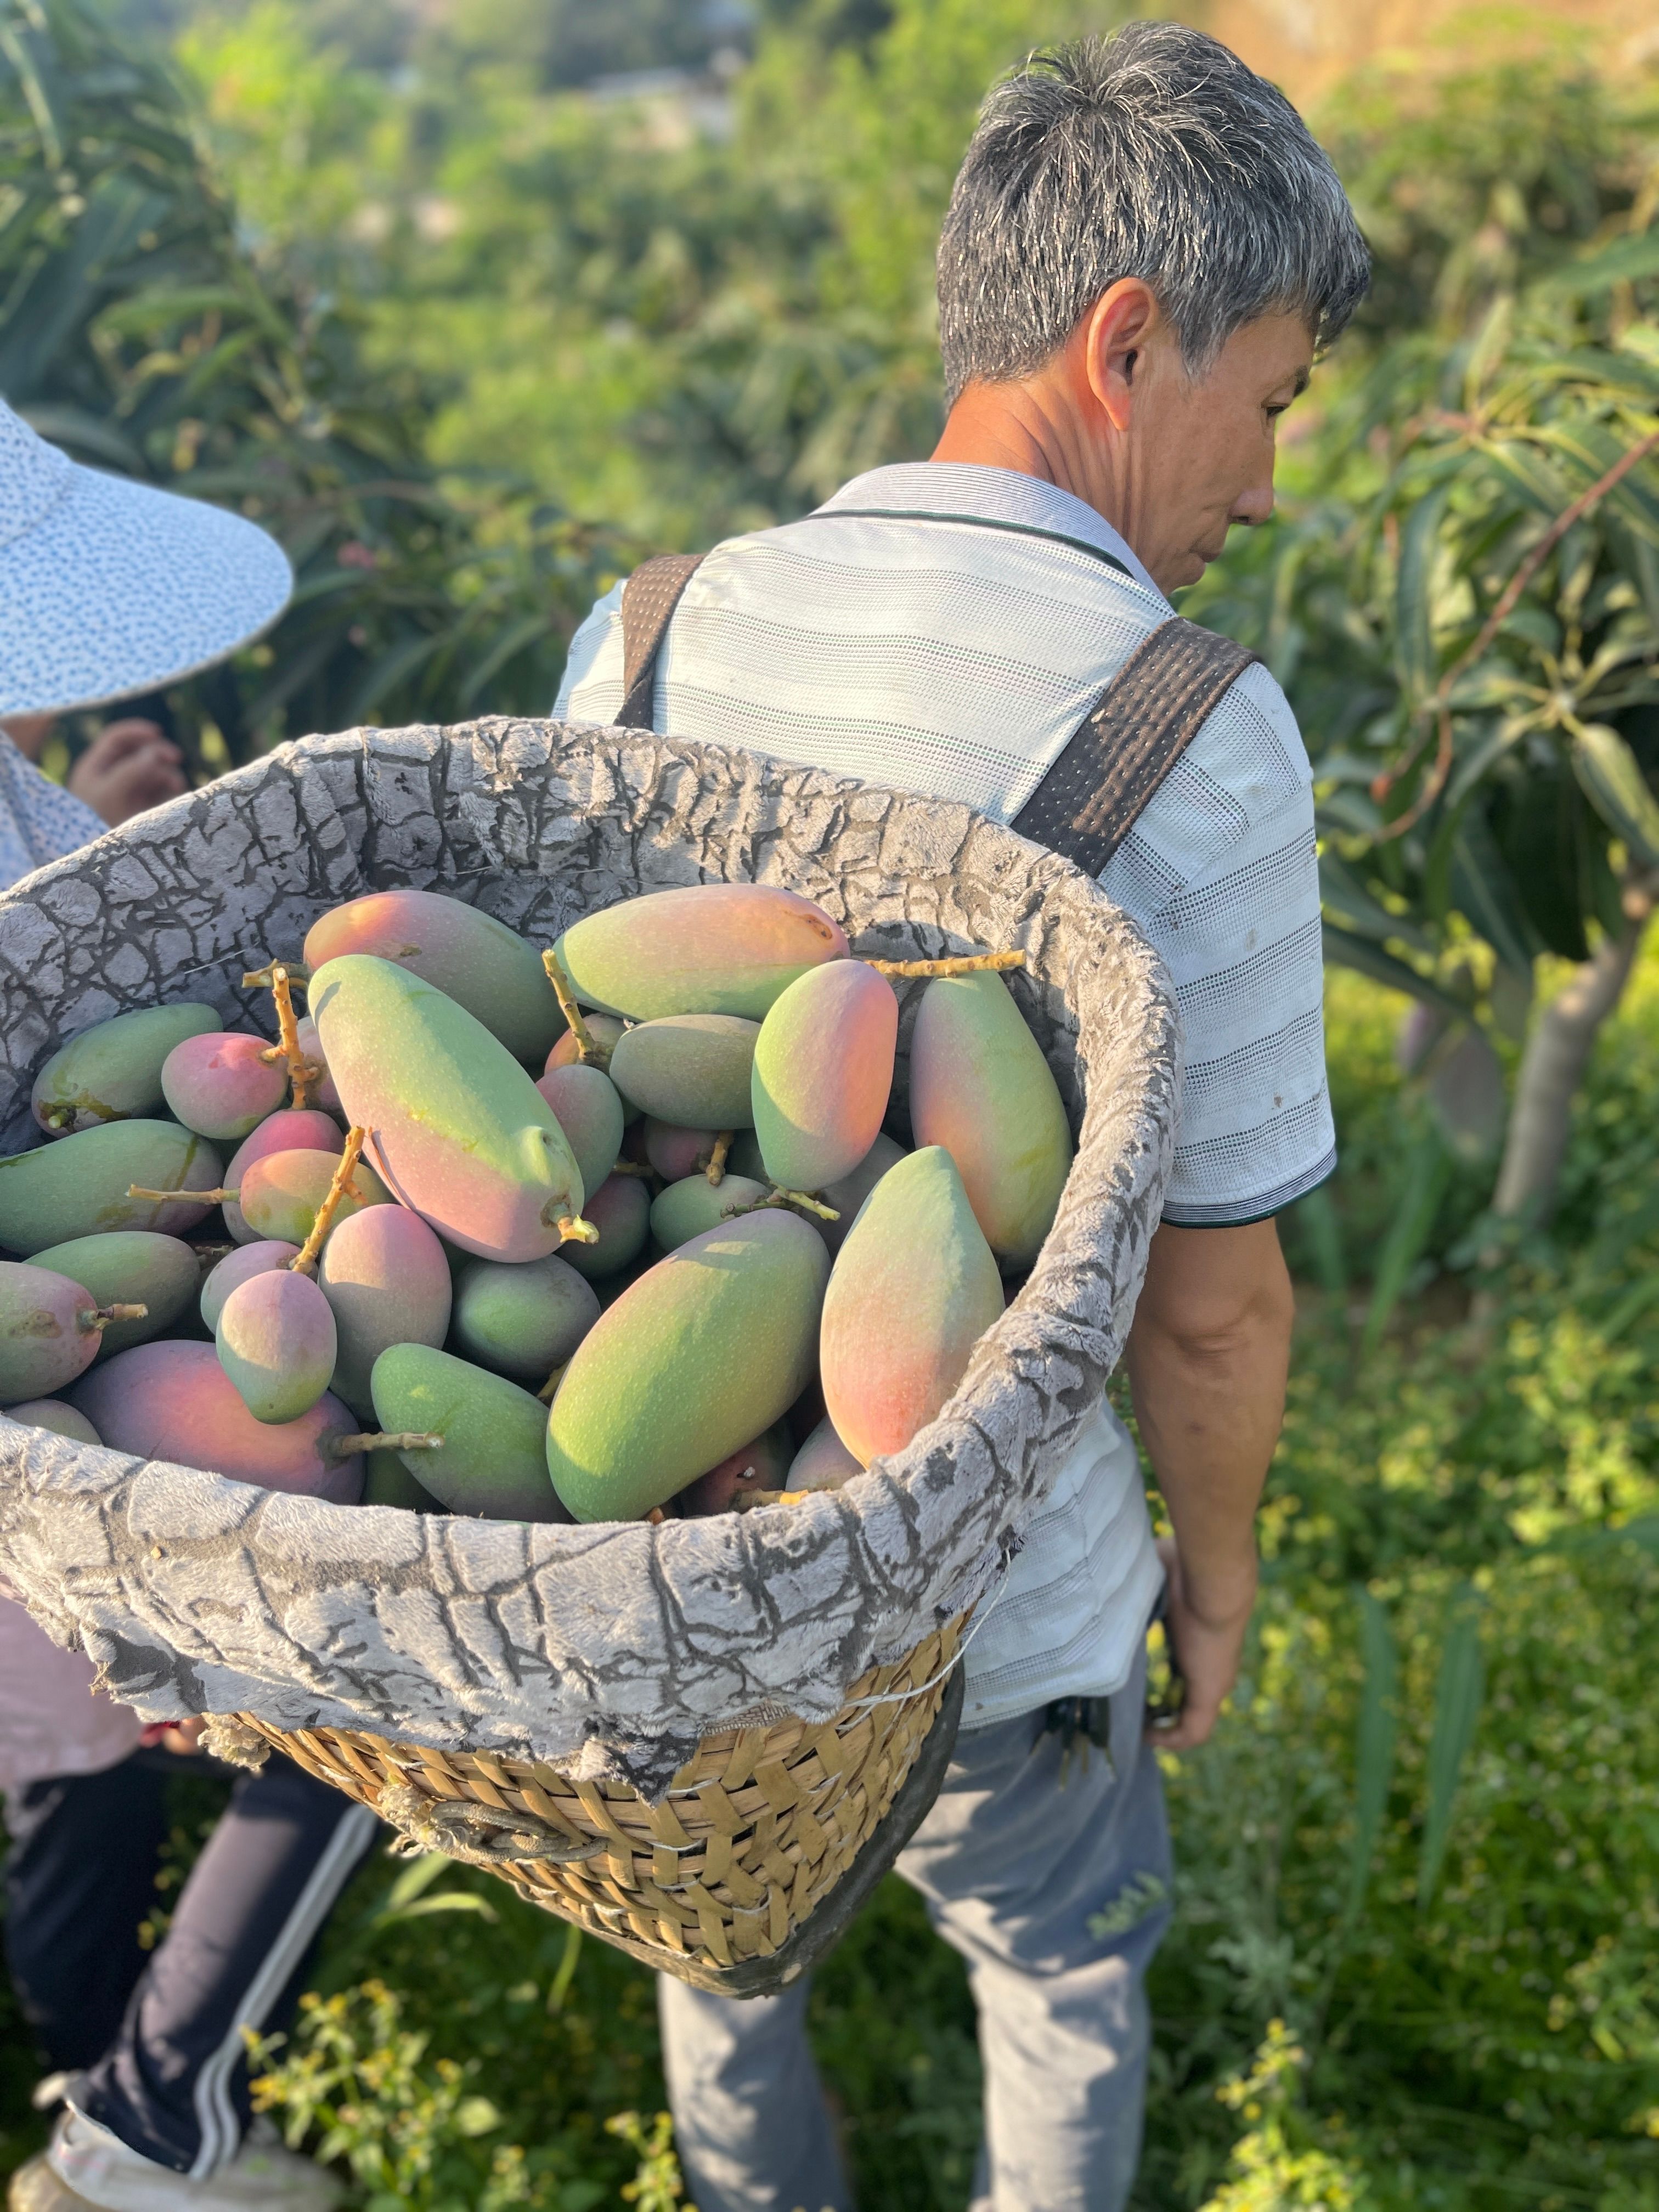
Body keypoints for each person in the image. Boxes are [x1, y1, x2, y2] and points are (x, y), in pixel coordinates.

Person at [555, 22, 1369, 2210]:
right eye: (1273, 398)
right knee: (1064, 1989)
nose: (1272, 478)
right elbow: (1210, 1310)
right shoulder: (1194, 734)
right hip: (1000, 1622)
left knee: (721, 1948)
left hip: (670, 1587)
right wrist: (1211, 1582)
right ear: (1127, 343)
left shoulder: (644, 632)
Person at [0, 394, 379, 2212]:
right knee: (88, 1777)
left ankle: (123, 2106)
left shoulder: (35, 806)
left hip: (96, 1362)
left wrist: (120, 844)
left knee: (93, 1778)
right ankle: (129, 2123)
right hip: (48, 1425)